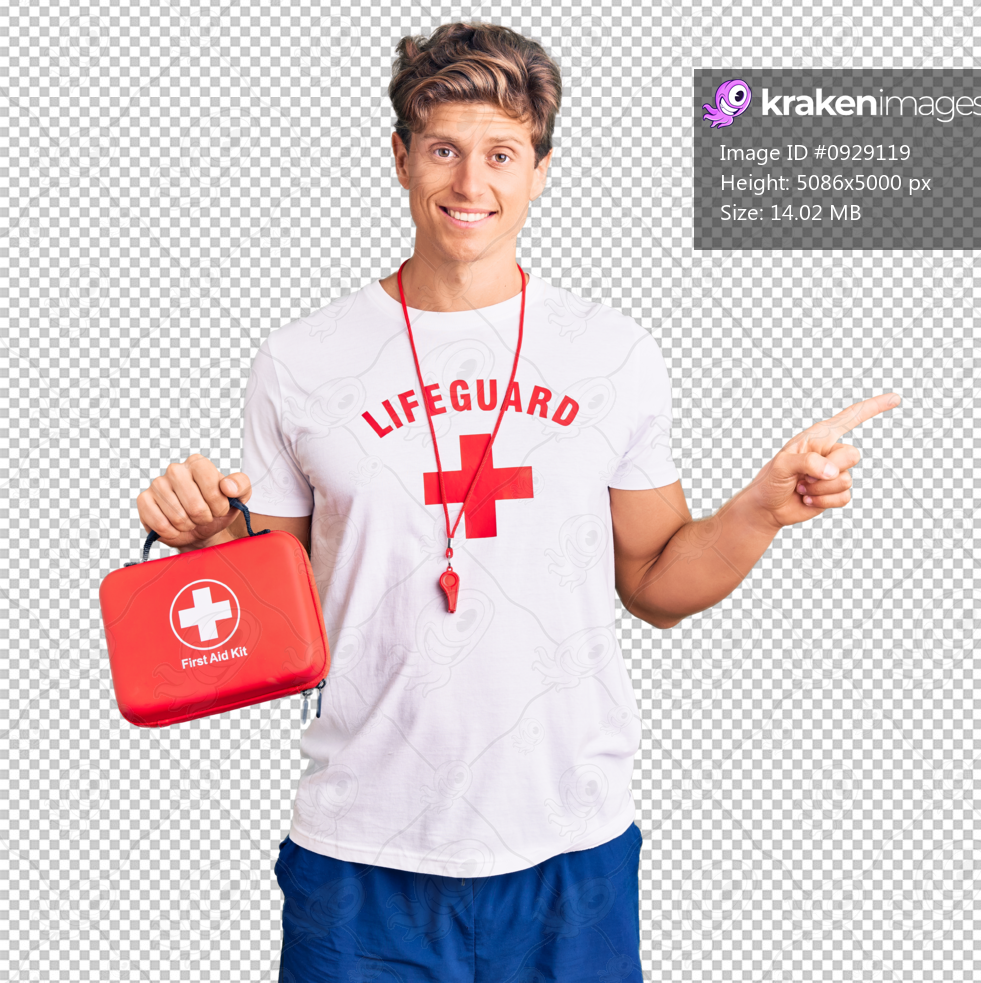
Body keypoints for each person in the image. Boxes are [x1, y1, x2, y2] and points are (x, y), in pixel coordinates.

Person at [135, 21, 900, 982]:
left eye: (502, 154)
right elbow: (277, 615)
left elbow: (657, 584)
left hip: (567, 847)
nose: (470, 183)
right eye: (444, 149)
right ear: (400, 157)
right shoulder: (300, 360)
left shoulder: (610, 351)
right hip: (360, 851)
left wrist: (761, 509)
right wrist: (207, 542)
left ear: (541, 169)